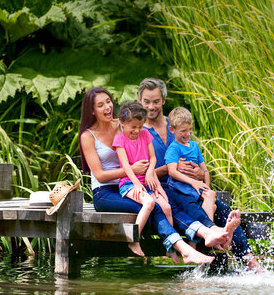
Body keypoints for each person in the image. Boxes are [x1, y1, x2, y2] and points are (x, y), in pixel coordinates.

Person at [79, 87, 232, 265]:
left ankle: (205, 233)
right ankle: (184, 247)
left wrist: (150, 172)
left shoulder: (124, 124)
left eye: (108, 102)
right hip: (106, 192)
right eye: (100, 105)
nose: (107, 107)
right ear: (92, 110)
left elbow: (144, 149)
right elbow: (100, 175)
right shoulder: (88, 136)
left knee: (166, 204)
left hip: (135, 182)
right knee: (153, 207)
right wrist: (134, 170)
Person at [138, 78, 264, 272]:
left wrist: (199, 172)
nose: (151, 106)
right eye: (146, 101)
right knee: (190, 207)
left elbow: (196, 160)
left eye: (156, 101)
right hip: (160, 190)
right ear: (139, 101)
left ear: (163, 100)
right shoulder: (137, 132)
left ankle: (250, 262)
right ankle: (212, 240)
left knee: (222, 208)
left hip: (187, 185)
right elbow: (139, 172)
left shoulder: (178, 124)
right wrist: (171, 168)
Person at [113, 101, 173, 256]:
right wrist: (136, 184)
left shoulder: (145, 134)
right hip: (128, 183)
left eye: (140, 126)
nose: (137, 130)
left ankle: (170, 246)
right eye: (133, 127)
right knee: (149, 202)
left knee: (166, 207)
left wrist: (149, 172)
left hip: (146, 181)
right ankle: (133, 240)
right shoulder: (120, 140)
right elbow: (126, 166)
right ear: (122, 123)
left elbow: (152, 158)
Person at [165, 107, 216, 221]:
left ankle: (204, 235)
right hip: (181, 189)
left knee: (212, 200)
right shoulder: (173, 148)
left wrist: (206, 187)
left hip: (196, 188)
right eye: (183, 131)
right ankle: (210, 230)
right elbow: (172, 171)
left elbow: (205, 171)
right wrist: (193, 182)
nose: (188, 134)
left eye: (190, 129)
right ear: (172, 130)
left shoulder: (194, 146)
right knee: (211, 202)